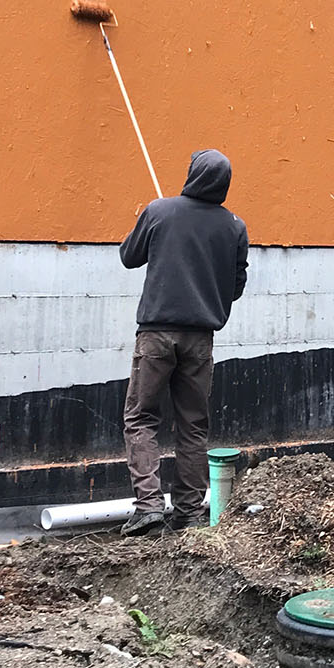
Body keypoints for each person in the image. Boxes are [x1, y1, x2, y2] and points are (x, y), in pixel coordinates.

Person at [116, 149, 249, 535]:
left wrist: (151, 222)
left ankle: (148, 507)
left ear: (192, 175)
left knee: (140, 418)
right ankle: (189, 512)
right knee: (193, 426)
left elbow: (128, 256)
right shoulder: (234, 227)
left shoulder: (160, 211)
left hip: (156, 335)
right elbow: (236, 288)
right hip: (201, 340)